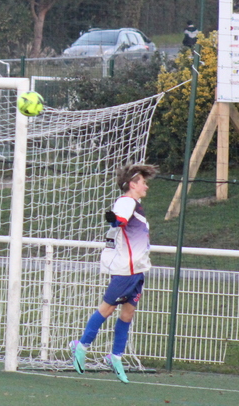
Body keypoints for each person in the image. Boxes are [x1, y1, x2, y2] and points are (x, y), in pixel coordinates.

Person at [70, 163, 158, 383]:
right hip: (125, 271)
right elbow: (117, 221)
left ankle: (115, 356)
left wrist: (113, 220)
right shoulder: (127, 202)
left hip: (137, 270)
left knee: (128, 314)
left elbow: (116, 225)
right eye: (143, 183)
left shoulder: (133, 204)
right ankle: (81, 345)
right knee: (107, 308)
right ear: (132, 184)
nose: (146, 186)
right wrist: (114, 219)